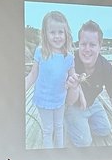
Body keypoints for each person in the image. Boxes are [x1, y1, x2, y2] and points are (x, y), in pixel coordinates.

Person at [66, 19, 112, 147]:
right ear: (79, 44)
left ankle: (84, 123)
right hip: (73, 104)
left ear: (99, 46)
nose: (87, 49)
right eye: (83, 44)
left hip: (92, 101)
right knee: (84, 142)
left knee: (104, 130)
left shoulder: (106, 67)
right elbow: (69, 101)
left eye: (92, 45)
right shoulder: (70, 62)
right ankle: (70, 123)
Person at [25, 10, 75, 148]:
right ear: (45, 34)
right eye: (52, 32)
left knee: (59, 127)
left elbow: (73, 77)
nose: (57, 36)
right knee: (48, 130)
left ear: (66, 34)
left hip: (60, 100)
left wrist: (74, 81)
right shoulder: (40, 52)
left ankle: (59, 154)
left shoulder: (69, 57)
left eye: (60, 32)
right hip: (43, 99)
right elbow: (32, 75)